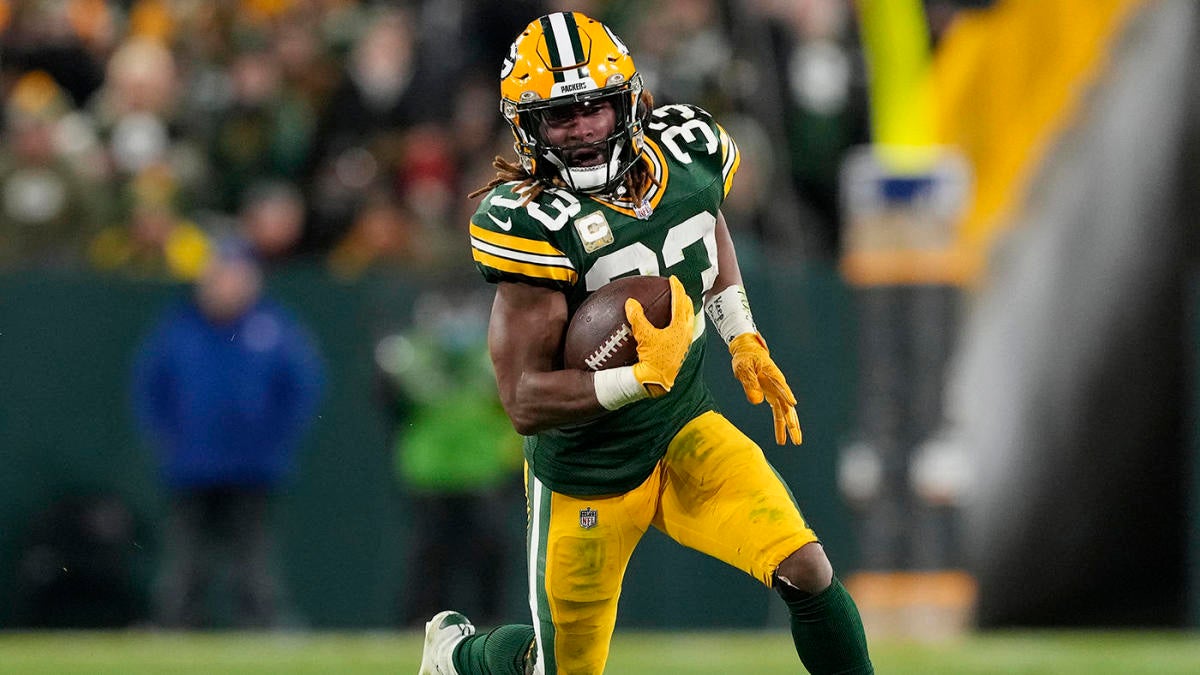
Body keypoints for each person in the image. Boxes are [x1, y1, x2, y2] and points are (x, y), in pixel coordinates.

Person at [420, 11, 873, 675]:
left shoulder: (686, 150)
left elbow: (705, 222)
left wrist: (740, 332)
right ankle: (459, 655)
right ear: (528, 127)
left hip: (682, 427)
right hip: (586, 473)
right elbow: (523, 399)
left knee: (805, 565)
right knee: (559, 669)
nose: (578, 130)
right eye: (559, 117)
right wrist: (634, 378)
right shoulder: (531, 222)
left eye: (592, 110)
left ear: (627, 102)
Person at [132, 237, 324, 629]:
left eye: (236, 276)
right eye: (219, 276)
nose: (227, 285)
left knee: (250, 553)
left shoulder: (273, 327)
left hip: (253, 464)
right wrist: (169, 438)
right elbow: (150, 388)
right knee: (187, 553)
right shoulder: (178, 328)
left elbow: (302, 387)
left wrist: (274, 440)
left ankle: (261, 622)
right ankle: (176, 622)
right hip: (191, 462)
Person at [375, 284, 522, 627]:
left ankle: (491, 622)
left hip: (483, 469)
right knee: (430, 556)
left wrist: (511, 460)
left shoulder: (493, 355)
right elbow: (389, 405)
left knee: (489, 552)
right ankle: (419, 623)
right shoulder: (412, 356)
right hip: (431, 471)